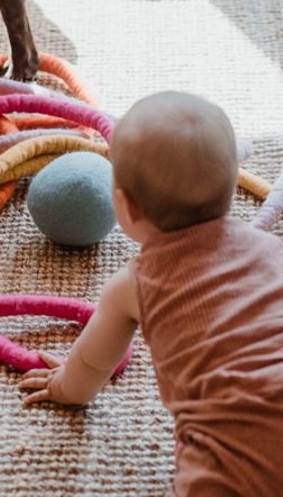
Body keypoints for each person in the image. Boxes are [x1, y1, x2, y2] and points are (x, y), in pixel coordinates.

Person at [19, 92, 283, 496]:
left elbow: (89, 367)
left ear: (124, 206)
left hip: (238, 464)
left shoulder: (134, 285)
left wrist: (62, 388)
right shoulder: (273, 251)